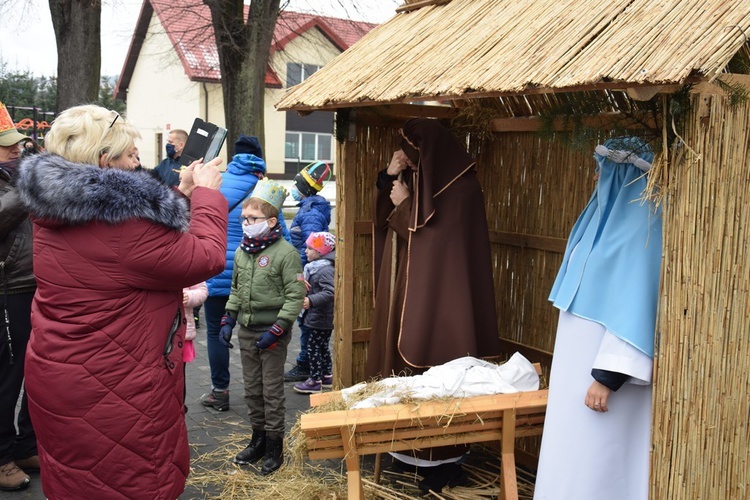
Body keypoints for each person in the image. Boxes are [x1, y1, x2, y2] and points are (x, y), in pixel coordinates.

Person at [15, 104, 227, 499]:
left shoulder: (56, 205)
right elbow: (204, 256)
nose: (139, 163)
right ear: (102, 161)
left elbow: (136, 240)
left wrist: (178, 193)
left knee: (78, 480)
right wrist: (209, 197)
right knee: (129, 482)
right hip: (115, 385)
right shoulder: (123, 227)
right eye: (131, 155)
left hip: (66, 372)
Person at [365, 118, 502, 494]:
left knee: (441, 374)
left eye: (410, 151)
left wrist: (407, 206)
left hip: (442, 303)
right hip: (405, 294)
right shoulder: (417, 182)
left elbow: (441, 243)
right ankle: (403, 449)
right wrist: (387, 177)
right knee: (402, 371)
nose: (405, 159)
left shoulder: (461, 189)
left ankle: (443, 459)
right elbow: (384, 221)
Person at [534, 138, 662, 500]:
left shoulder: (645, 224)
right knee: (571, 456)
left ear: (623, 172)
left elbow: (639, 301)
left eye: (603, 167)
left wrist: (608, 377)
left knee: (598, 462)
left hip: (604, 382)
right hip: (577, 370)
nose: (594, 175)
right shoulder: (600, 219)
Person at [219, 178, 305, 475]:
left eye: (252, 219)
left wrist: (278, 329)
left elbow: (296, 296)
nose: (246, 223)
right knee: (252, 391)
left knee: (271, 392)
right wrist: (228, 319)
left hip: (272, 335)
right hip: (246, 331)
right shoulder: (244, 251)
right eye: (243, 218)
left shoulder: (285, 253)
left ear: (270, 221)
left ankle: (274, 445)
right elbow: (236, 289)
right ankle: (257, 438)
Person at [200, 134, 290, 412]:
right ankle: (262, 392)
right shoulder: (266, 189)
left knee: (216, 331)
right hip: (257, 276)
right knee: (258, 330)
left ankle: (220, 392)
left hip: (217, 270)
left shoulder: (216, 183)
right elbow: (283, 235)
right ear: (259, 157)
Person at [0, 102, 37, 492]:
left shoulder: (15, 177)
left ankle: (26, 445)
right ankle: (2, 456)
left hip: (31, 287)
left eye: (17, 143)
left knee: (33, 375)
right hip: (7, 291)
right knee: (7, 379)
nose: (16, 150)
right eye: (7, 145)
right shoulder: (19, 184)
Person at [284, 161, 332, 383]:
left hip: (306, 272)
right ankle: (312, 364)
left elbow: (312, 247)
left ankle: (306, 364)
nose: (294, 187)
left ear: (304, 187)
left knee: (307, 319)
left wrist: (299, 276)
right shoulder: (308, 208)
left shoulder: (311, 212)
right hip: (304, 270)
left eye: (296, 183)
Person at [293, 231, 336, 394]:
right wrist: (299, 279)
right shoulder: (314, 267)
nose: (305, 251)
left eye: (309, 248)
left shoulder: (325, 270)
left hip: (320, 318)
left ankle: (315, 380)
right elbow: (304, 277)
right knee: (322, 346)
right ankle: (326, 375)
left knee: (313, 347)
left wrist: (311, 301)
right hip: (318, 317)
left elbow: (331, 292)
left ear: (320, 252)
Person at [182, 280, 208, 412]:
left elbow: (202, 290)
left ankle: (180, 407)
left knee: (179, 377)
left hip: (181, 332)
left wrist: (189, 296)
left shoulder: (184, 261)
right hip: (155, 332)